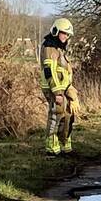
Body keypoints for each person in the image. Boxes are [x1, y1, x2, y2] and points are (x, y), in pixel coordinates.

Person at [39, 18, 81, 155]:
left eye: (67, 34)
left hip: (63, 88)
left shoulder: (59, 49)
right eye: (63, 33)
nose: (65, 37)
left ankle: (64, 144)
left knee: (68, 114)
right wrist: (57, 92)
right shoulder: (49, 48)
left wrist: (70, 89)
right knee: (56, 115)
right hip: (54, 89)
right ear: (56, 32)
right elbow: (49, 71)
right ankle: (52, 147)